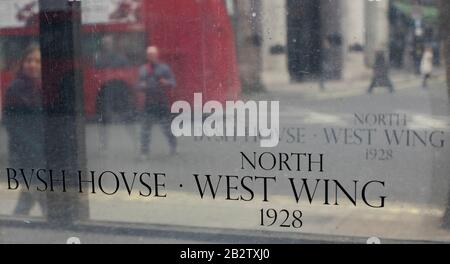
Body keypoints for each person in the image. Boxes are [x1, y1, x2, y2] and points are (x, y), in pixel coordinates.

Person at [2, 43, 47, 216]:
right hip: (28, 156)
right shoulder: (16, 88)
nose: (33, 64)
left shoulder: (42, 86)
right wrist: (36, 150)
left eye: (37, 61)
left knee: (30, 198)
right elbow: (14, 125)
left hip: (39, 156)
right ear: (22, 63)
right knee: (43, 198)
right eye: (29, 60)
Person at [138, 46, 177, 158]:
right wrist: (142, 85)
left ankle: (173, 146)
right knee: (145, 130)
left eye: (153, 54)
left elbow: (173, 82)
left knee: (167, 128)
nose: (152, 57)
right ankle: (144, 152)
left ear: (157, 55)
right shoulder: (143, 69)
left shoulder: (164, 68)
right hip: (149, 103)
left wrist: (166, 82)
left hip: (161, 102)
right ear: (147, 56)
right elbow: (138, 84)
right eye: (149, 55)